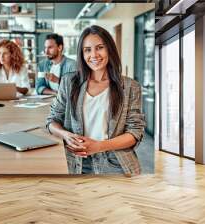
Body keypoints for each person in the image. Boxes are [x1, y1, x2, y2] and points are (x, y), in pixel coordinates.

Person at [46, 25, 146, 176]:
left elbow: (135, 132)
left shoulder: (130, 87)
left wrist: (99, 146)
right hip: (75, 163)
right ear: (82, 53)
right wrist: (65, 135)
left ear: (109, 49)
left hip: (115, 164)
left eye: (99, 47)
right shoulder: (69, 82)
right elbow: (52, 120)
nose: (94, 55)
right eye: (87, 50)